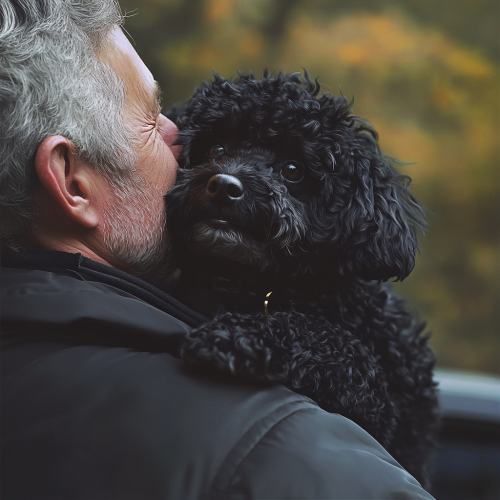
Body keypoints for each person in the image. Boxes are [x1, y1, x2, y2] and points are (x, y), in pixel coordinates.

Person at [0, 1, 435, 498]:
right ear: (71, 181)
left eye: (291, 174)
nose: (176, 139)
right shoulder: (269, 445)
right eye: (217, 152)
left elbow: (368, 396)